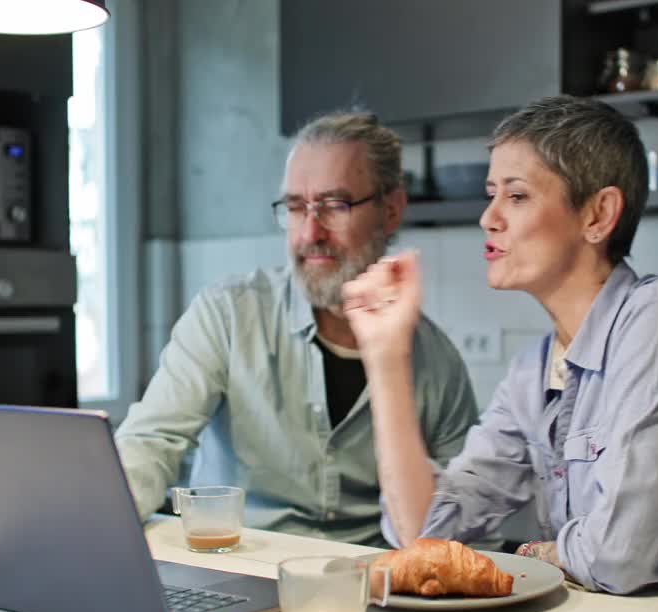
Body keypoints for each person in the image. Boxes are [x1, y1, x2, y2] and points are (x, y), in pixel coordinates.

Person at [342, 96, 658, 607]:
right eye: (491, 194)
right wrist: (386, 355)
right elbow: (420, 532)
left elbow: (620, 557)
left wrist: (541, 555)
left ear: (598, 214)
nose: (488, 217)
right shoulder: (533, 371)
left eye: (516, 196)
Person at [114, 111, 479, 547]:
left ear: (392, 208)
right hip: (238, 568)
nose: (310, 232)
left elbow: (455, 526)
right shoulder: (228, 314)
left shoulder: (438, 364)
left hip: (372, 592)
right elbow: (152, 441)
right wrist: (95, 520)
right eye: (294, 207)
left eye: (334, 205)